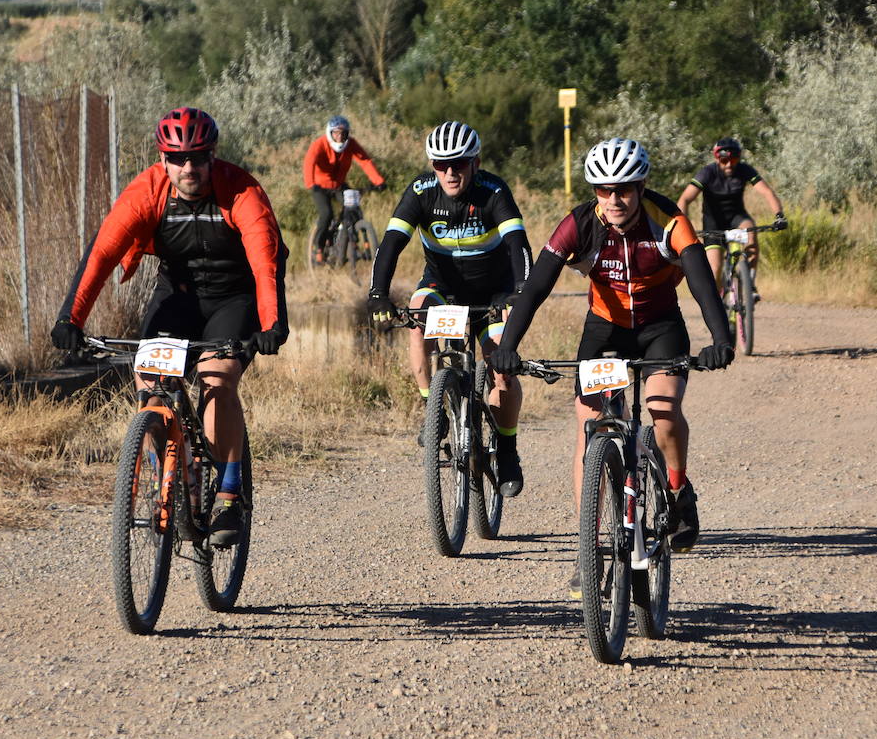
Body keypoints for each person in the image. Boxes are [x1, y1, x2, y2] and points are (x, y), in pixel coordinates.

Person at [487, 138, 733, 595]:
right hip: (604, 330)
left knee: (662, 408)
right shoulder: (578, 226)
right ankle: (591, 549)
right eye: (604, 190)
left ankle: (678, 490)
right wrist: (510, 345)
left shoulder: (669, 223)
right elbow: (535, 288)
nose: (614, 199)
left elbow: (701, 285)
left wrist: (721, 339)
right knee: (588, 425)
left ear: (641, 188)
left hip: (661, 327)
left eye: (623, 189)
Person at [51, 107, 289, 548]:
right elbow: (101, 254)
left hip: (235, 296)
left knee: (218, 377)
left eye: (198, 157)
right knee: (151, 377)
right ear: (163, 160)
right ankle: (173, 469)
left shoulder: (242, 191)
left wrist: (273, 322)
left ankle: (230, 492)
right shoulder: (147, 191)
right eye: (178, 159)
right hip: (177, 293)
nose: (188, 168)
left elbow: (265, 261)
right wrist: (71, 319)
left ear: (212, 156)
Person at [366, 120, 533, 496]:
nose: (450, 172)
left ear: (474, 162)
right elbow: (391, 244)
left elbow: (519, 244)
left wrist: (520, 290)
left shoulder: (493, 190)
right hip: (443, 288)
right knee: (417, 312)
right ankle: (433, 411)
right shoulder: (421, 192)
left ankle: (507, 449)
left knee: (502, 370)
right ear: (432, 165)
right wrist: (378, 293)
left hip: (494, 293)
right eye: (441, 165)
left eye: (458, 163)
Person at [677, 137, 787, 296]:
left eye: (733, 159)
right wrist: (683, 225)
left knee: (751, 232)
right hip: (713, 223)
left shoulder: (744, 170)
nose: (729, 164)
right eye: (724, 160)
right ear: (717, 159)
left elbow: (766, 192)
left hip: (737, 217)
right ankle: (718, 302)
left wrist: (779, 216)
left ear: (739, 158)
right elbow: (685, 199)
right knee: (715, 268)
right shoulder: (707, 173)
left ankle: (750, 284)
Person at [305, 116, 386, 261]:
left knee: (353, 207)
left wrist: (378, 181)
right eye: (336, 133)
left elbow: (365, 161)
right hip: (320, 186)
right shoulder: (320, 144)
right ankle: (319, 246)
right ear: (330, 133)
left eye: (343, 133)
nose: (340, 137)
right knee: (326, 213)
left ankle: (351, 241)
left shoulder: (351, 144)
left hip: (339, 185)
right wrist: (311, 184)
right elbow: (309, 161)